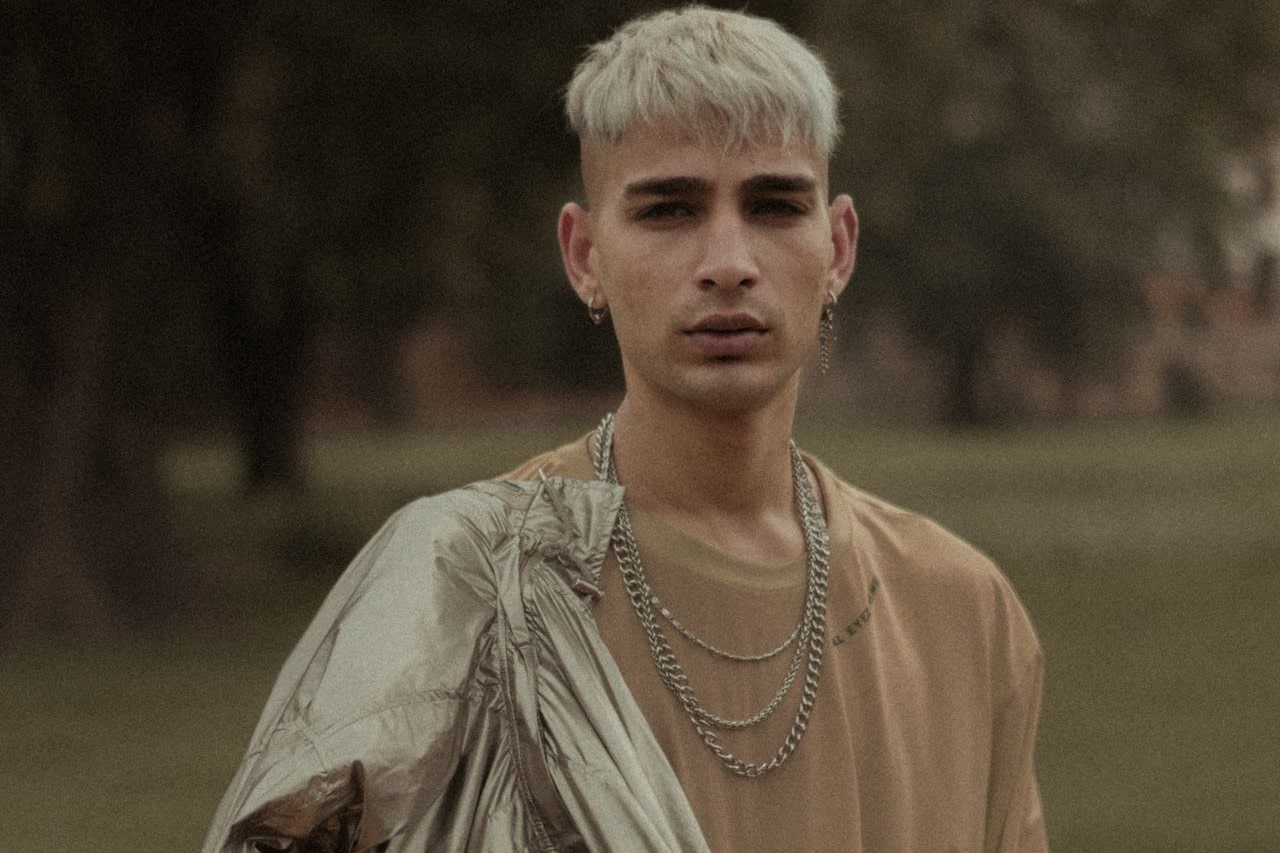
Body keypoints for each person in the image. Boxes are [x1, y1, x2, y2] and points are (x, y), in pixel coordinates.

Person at [202, 7, 1048, 852]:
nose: (727, 260)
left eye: (775, 205)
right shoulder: (471, 589)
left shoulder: (963, 610)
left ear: (839, 248)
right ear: (584, 255)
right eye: (669, 211)